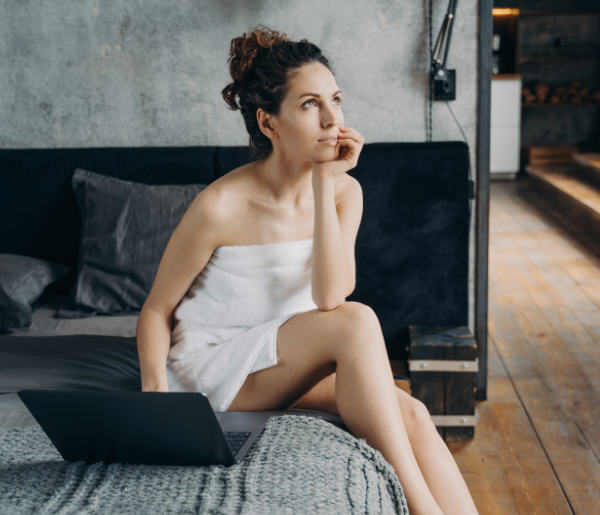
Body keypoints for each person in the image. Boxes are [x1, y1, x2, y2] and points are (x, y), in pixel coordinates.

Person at [135, 26, 478, 515]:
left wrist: (323, 184)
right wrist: (156, 402)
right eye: (309, 104)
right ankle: (422, 508)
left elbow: (329, 295)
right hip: (216, 372)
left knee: (414, 414)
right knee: (357, 321)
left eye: (335, 99)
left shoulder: (344, 192)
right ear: (268, 124)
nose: (333, 119)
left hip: (283, 358)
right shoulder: (219, 206)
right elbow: (155, 310)